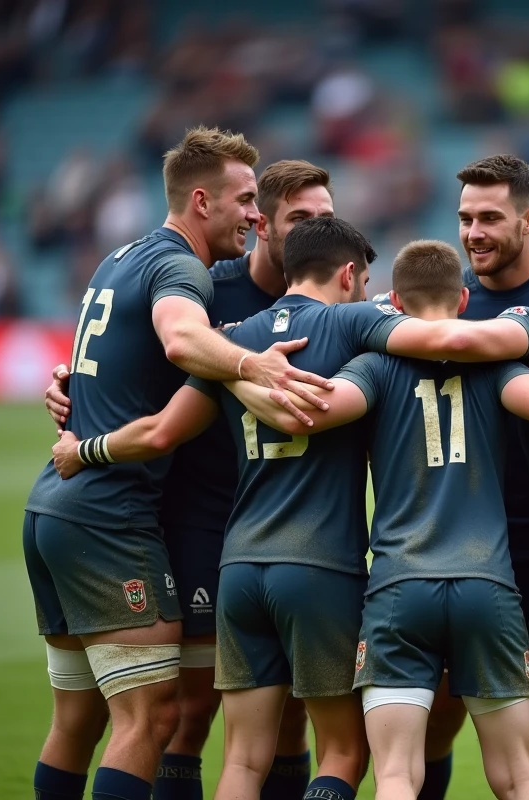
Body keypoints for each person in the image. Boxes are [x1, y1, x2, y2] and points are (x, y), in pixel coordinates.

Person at [238, 238, 529, 800]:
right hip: (489, 589)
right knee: (521, 776)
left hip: (401, 586)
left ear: (395, 305)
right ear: (463, 299)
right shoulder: (497, 368)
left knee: (397, 775)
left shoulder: (373, 366)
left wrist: (233, 370)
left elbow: (307, 412)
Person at [22, 127, 332, 800]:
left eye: (326, 218)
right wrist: (252, 364)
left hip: (272, 531)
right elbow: (178, 341)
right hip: (159, 520)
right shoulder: (197, 279)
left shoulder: (340, 298)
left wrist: (73, 388)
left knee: (96, 719)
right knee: (169, 718)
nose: (312, 231)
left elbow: (115, 356)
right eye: (258, 206)